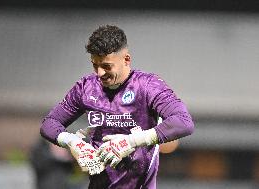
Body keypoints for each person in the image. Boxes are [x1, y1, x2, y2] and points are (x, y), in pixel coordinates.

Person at [40, 24, 194, 189]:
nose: (99, 73)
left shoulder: (147, 86)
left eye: (106, 66)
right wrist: (73, 143)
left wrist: (131, 141)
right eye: (95, 65)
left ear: (126, 59)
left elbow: (183, 122)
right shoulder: (86, 88)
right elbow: (49, 124)